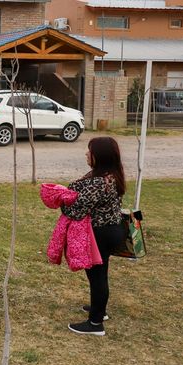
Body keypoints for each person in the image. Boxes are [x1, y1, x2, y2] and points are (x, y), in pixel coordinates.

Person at [61, 137, 126, 336]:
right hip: (112, 230)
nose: (87, 154)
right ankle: (99, 309)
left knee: (97, 277)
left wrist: (63, 200)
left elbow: (75, 210)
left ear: (100, 156)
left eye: (90, 151)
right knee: (100, 273)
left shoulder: (97, 182)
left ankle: (95, 323)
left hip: (100, 234)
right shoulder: (112, 175)